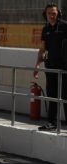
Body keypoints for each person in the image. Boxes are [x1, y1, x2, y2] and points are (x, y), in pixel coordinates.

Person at [33, 3, 67, 131]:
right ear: (45, 15)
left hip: (64, 68)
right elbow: (42, 48)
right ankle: (52, 123)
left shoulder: (65, 26)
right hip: (51, 67)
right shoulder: (45, 29)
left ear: (58, 14)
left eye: (54, 13)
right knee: (52, 95)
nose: (52, 16)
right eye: (49, 13)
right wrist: (37, 65)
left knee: (65, 96)